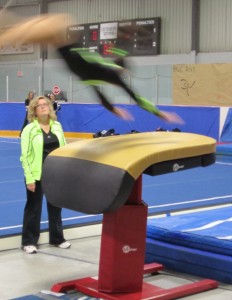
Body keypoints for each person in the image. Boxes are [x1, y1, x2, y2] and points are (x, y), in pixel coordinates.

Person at [0, 14, 183, 124]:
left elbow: (120, 56)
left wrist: (126, 34)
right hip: (69, 55)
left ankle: (7, 31)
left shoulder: (108, 70)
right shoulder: (109, 75)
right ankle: (7, 32)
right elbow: (134, 98)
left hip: (70, 51)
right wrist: (160, 114)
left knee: (50, 24)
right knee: (41, 28)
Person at [20, 96, 71, 254]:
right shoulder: (29, 129)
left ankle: (57, 238)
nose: (43, 107)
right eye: (39, 105)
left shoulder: (57, 126)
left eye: (45, 104)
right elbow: (25, 155)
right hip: (36, 174)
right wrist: (29, 178)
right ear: (34, 110)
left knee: (56, 206)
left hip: (55, 173)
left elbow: (64, 149)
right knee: (34, 207)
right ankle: (28, 241)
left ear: (50, 108)